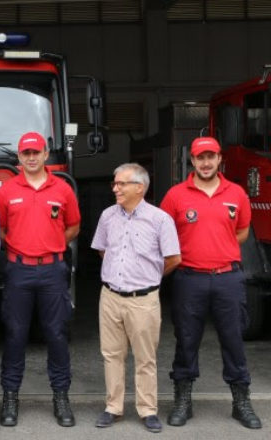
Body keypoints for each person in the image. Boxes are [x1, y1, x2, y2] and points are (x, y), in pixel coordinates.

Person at [160, 137, 262, 430]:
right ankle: (183, 401)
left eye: (211, 157)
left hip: (228, 278)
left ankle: (241, 402)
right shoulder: (176, 196)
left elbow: (241, 232)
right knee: (186, 341)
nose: (205, 163)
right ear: (191, 161)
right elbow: (164, 236)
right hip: (189, 278)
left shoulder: (237, 194)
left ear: (220, 159)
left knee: (233, 341)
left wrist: (218, 248)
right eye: (199, 157)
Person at [0, 132, 80, 427]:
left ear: (45, 154)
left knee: (56, 334)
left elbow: (73, 227)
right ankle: (10, 397)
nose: (31, 157)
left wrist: (50, 245)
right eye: (25, 153)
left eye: (36, 152)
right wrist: (23, 249)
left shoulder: (63, 189)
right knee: (15, 335)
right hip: (19, 270)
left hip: (53, 271)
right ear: (19, 158)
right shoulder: (6, 191)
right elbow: (0, 231)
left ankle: (61, 397)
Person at [91, 163, 181, 433]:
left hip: (143, 300)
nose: (115, 188)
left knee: (145, 357)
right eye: (114, 183)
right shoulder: (108, 215)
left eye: (121, 184)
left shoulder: (160, 219)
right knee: (112, 354)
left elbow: (174, 259)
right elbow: (102, 250)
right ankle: (113, 407)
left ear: (139, 187)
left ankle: (147, 410)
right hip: (110, 296)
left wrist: (148, 279)